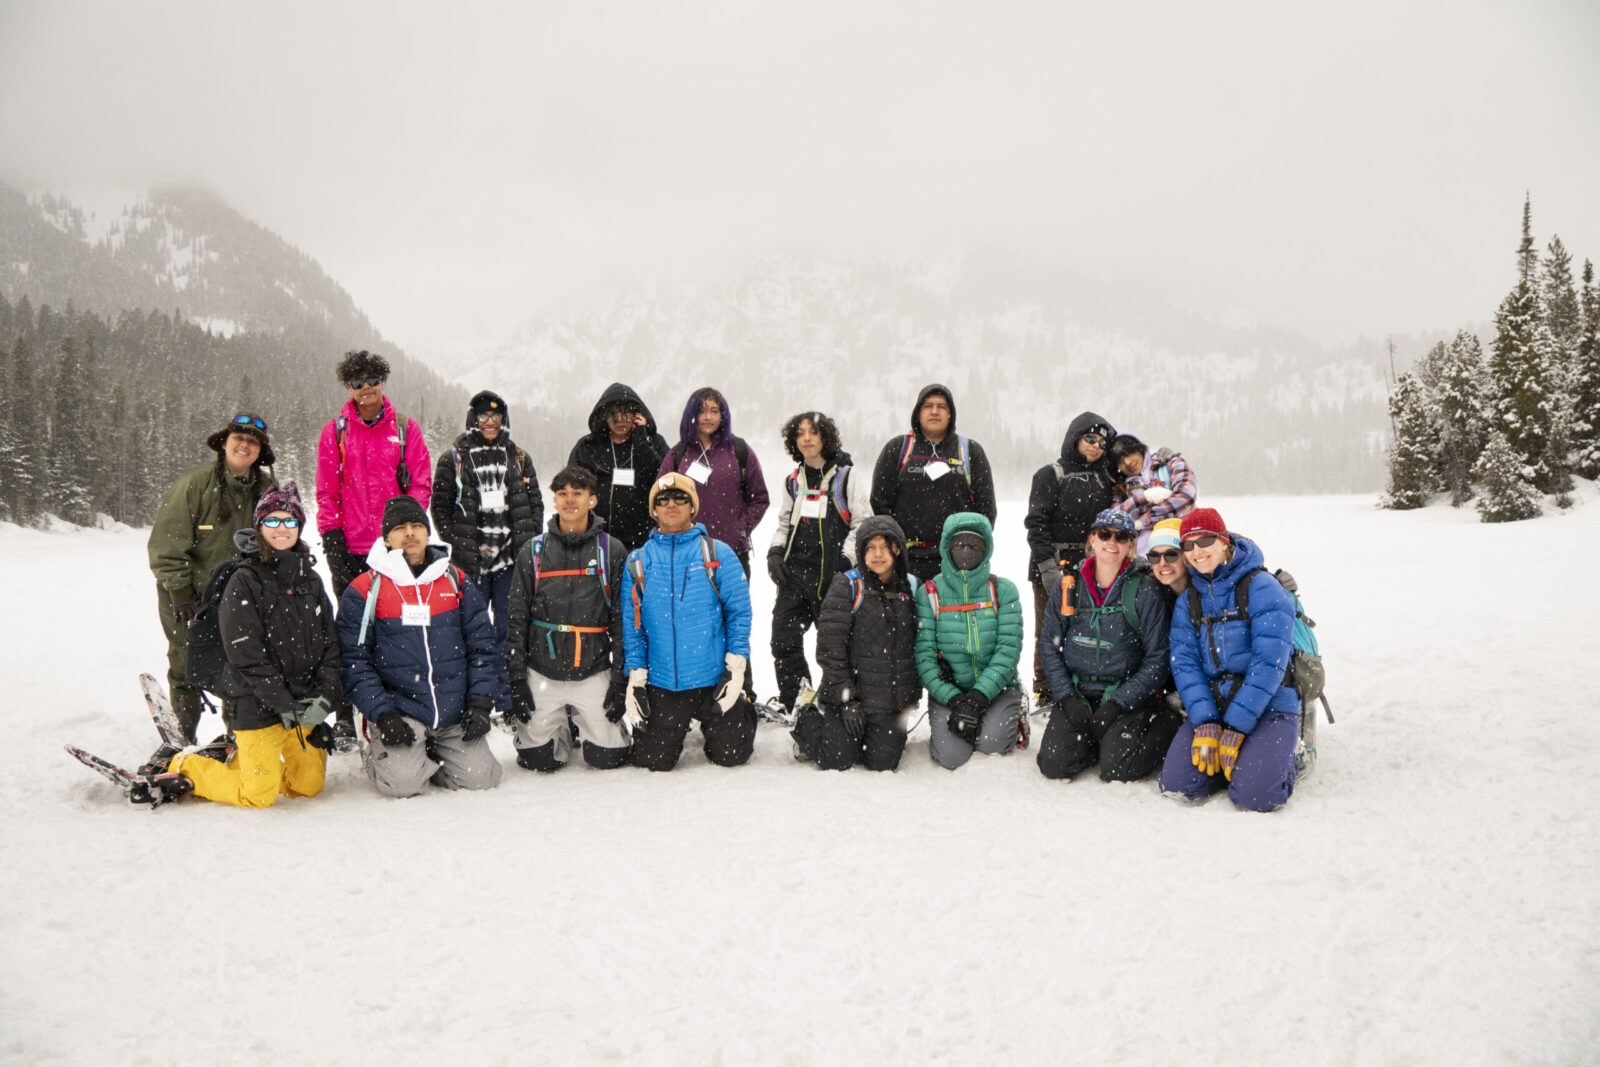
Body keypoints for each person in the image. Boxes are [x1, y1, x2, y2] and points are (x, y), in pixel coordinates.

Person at [154, 484, 344, 808]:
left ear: (300, 526)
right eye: (272, 521)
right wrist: (283, 704)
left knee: (308, 786)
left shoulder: (310, 579)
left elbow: (330, 646)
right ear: (259, 527)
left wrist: (323, 700)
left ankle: (248, 759)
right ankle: (186, 766)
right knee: (258, 794)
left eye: (289, 521)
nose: (281, 529)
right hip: (257, 704)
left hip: (302, 705)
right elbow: (246, 656)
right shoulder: (244, 579)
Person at [337, 496, 502, 798]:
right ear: (387, 538)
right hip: (401, 713)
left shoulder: (455, 580)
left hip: (453, 710)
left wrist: (479, 702)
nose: (409, 533)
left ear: (428, 533)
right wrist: (383, 713)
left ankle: (429, 752)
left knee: (482, 779)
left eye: (416, 525)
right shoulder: (365, 588)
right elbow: (354, 661)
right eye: (399, 528)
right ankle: (383, 750)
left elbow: (483, 646)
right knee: (402, 785)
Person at [316, 349, 432, 749]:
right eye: (356, 382)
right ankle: (348, 712)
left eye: (372, 380)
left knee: (396, 627)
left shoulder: (404, 428)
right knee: (350, 632)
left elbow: (420, 484)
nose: (366, 389)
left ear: (384, 381)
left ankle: (396, 702)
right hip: (348, 547)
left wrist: (407, 528)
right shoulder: (335, 431)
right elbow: (326, 491)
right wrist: (331, 537)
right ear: (346, 386)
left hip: (394, 548)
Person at [1157, 508, 1300, 812]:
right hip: (1215, 704)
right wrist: (1206, 721)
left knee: (1257, 797)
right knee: (1178, 786)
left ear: (1223, 541)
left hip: (1270, 703)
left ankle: (1288, 756)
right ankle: (1245, 763)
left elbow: (1269, 664)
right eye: (1188, 545)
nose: (1196, 552)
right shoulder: (1190, 599)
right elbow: (1185, 665)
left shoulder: (1260, 587)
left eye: (1205, 541)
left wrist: (1236, 727)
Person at [147, 410, 277, 744]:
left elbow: (280, 536)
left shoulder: (268, 489)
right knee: (184, 662)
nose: (245, 446)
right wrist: (180, 592)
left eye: (252, 441)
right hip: (189, 595)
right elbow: (165, 545)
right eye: (239, 439)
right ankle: (181, 738)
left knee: (240, 664)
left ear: (260, 451)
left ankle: (238, 738)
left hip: (242, 595)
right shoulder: (193, 485)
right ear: (225, 444)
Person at [620, 473, 755, 772]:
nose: (671, 504)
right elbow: (633, 626)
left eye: (681, 498)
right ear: (653, 509)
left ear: (693, 507)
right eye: (662, 499)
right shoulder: (638, 561)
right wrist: (637, 676)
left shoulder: (718, 553)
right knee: (653, 761)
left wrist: (736, 669)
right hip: (664, 681)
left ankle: (742, 709)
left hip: (713, 676)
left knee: (732, 753)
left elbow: (739, 614)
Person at [1034, 508, 1179, 782]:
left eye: (1121, 537)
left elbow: (1157, 658)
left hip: (1125, 696)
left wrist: (1118, 703)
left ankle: (1166, 724)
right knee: (1054, 765)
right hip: (1079, 693)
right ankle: (1097, 742)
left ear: (1131, 545)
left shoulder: (1143, 590)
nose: (1112, 542)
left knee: (1118, 768)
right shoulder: (1069, 585)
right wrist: (1066, 697)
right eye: (1105, 534)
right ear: (1092, 539)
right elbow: (1050, 646)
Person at [504, 465, 630, 771]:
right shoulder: (533, 551)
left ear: (593, 500)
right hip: (542, 672)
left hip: (592, 668)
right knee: (538, 760)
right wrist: (518, 681)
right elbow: (517, 619)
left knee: (607, 758)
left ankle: (585, 720)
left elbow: (621, 621)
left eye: (578, 493)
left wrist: (618, 681)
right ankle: (560, 724)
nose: (569, 500)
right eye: (562, 494)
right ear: (554, 500)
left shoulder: (610, 550)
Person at [431, 390, 543, 713]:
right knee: (473, 632)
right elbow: (439, 507)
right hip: (471, 562)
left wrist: (530, 541)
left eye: (496, 416)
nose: (490, 422)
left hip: (510, 562)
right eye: (483, 416)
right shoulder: (454, 457)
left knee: (510, 631)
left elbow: (535, 504)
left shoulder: (519, 457)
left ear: (504, 420)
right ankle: (478, 700)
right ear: (473, 419)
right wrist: (459, 542)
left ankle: (508, 700)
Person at [791, 515, 921, 771]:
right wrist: (846, 700)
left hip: (887, 700)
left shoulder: (912, 588)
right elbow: (831, 649)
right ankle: (806, 715)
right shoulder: (847, 585)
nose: (878, 554)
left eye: (885, 546)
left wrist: (908, 698)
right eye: (870, 547)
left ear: (897, 549)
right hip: (850, 697)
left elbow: (915, 649)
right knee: (836, 758)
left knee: (883, 762)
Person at [764, 411, 869, 719]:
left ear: (826, 437)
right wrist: (774, 552)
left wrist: (845, 561)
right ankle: (799, 702)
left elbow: (863, 522)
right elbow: (784, 522)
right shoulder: (793, 481)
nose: (807, 438)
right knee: (783, 641)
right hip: (795, 577)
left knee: (835, 649)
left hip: (833, 578)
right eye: (800, 433)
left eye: (813, 432)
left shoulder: (846, 476)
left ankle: (835, 703)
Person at [914, 513, 1024, 770]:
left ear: (986, 549)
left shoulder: (1003, 590)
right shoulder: (929, 593)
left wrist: (978, 698)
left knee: (991, 744)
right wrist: (954, 700)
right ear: (946, 547)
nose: (966, 551)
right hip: (949, 692)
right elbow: (924, 657)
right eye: (958, 544)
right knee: (951, 756)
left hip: (998, 689)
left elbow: (1008, 651)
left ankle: (1014, 715)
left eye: (975, 545)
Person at [1023, 411, 1117, 705]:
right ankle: (1046, 690)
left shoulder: (1105, 478)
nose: (1095, 446)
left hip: (1092, 564)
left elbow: (1136, 466)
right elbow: (1035, 524)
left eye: (1101, 442)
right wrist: (1046, 566)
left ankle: (1081, 685)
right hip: (1053, 562)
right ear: (1074, 438)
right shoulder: (1051, 474)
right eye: (1090, 438)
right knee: (1049, 629)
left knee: (1087, 627)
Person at [870, 384, 997, 583]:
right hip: (905, 560)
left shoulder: (970, 451)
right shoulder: (898, 449)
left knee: (950, 614)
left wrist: (971, 550)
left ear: (950, 415)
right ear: (918, 413)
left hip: (956, 561)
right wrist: (891, 547)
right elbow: (879, 504)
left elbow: (986, 511)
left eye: (942, 406)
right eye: (928, 406)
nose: (935, 411)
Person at [657, 386, 769, 575]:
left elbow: (759, 498)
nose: (708, 417)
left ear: (722, 416)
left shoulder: (740, 450)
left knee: (733, 605)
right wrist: (674, 529)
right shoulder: (679, 453)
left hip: (732, 553)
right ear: (691, 416)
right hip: (687, 551)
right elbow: (659, 495)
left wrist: (740, 529)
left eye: (714, 411)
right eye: (701, 411)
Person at [567, 383, 670, 550]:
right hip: (597, 538)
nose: (619, 420)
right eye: (613, 414)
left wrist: (641, 440)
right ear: (603, 416)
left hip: (644, 540)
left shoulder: (653, 442)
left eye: (626, 414)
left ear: (637, 415)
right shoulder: (587, 446)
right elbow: (571, 487)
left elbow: (662, 480)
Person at [1110, 435, 1198, 555]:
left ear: (1140, 449)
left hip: (1183, 544)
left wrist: (1145, 520)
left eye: (1128, 454)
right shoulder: (1121, 487)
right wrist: (1142, 497)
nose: (1127, 462)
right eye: (1120, 461)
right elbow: (1115, 520)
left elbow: (1185, 498)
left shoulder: (1170, 463)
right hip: (1143, 557)